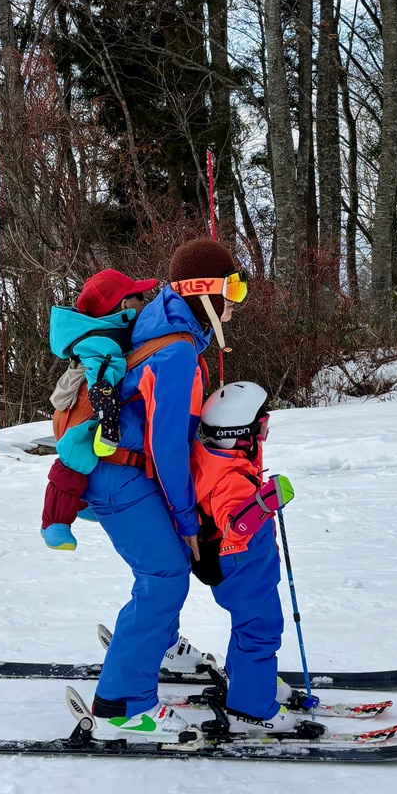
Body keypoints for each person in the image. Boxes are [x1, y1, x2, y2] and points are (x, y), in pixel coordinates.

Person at [82, 238, 250, 744]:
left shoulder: (166, 318)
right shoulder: (177, 351)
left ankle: (156, 644)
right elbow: (168, 446)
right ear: (205, 292)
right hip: (120, 475)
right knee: (165, 576)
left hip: (123, 469)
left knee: (165, 570)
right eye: (233, 289)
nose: (236, 302)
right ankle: (122, 705)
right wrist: (187, 518)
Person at [190, 381, 302, 734]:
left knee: (247, 626)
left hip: (240, 566)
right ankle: (251, 708)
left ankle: (249, 682)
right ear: (238, 432)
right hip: (242, 565)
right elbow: (236, 523)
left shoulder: (214, 458)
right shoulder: (230, 478)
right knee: (261, 630)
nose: (263, 435)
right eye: (261, 428)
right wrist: (266, 502)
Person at [41, 269, 156, 551]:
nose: (145, 302)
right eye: (141, 297)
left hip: (84, 407)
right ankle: (54, 525)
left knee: (86, 461)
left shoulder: (110, 334)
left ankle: (83, 504)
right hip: (86, 412)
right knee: (73, 460)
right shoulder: (106, 341)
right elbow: (101, 383)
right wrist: (109, 425)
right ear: (126, 306)